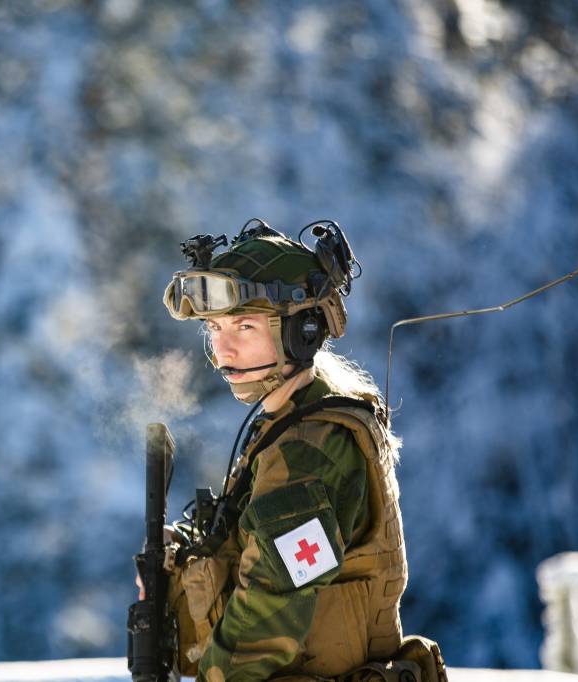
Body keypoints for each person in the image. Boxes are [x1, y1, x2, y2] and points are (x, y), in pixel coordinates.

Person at [151, 219, 445, 682]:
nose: (222, 349)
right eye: (214, 328)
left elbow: (265, 622)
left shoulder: (310, 451)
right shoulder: (296, 417)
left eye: (244, 326)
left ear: (302, 332)